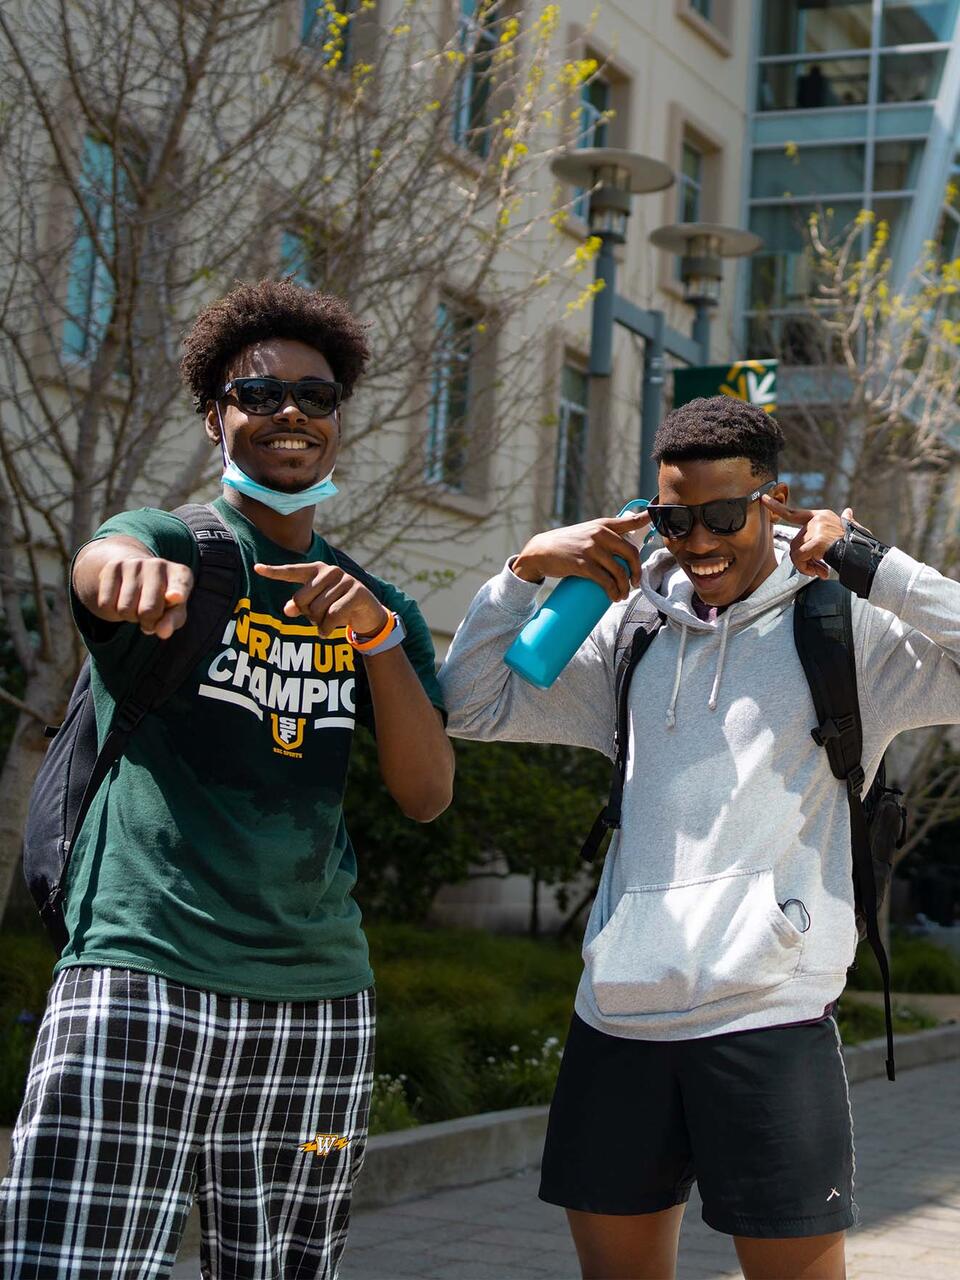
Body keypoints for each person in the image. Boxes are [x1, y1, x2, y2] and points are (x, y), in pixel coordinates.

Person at [438, 395, 960, 1280]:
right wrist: (522, 571)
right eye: (676, 519)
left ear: (776, 501)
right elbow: (471, 702)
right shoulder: (628, 636)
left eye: (724, 515)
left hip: (770, 1014)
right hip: (618, 1013)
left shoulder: (846, 631)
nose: (699, 540)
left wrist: (874, 564)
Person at [1, 280, 453, 1279]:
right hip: (143, 973)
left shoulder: (380, 607)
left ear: (339, 419)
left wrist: (376, 638)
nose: (290, 411)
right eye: (259, 393)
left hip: (323, 1001)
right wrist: (114, 568)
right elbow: (107, 555)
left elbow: (426, 793)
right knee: (74, 1261)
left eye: (317, 395)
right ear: (216, 415)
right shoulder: (179, 547)